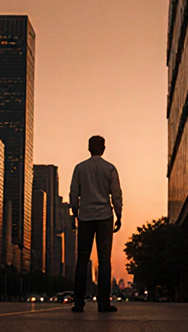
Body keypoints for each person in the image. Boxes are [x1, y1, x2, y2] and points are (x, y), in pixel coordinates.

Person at [69, 134, 122, 313]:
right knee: (104, 260)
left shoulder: (80, 168)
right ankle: (104, 302)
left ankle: (78, 302)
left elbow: (74, 192)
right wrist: (119, 214)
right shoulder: (110, 168)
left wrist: (75, 211)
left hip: (85, 217)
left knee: (82, 259)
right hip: (104, 216)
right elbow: (116, 194)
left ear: (89, 148)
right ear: (104, 148)